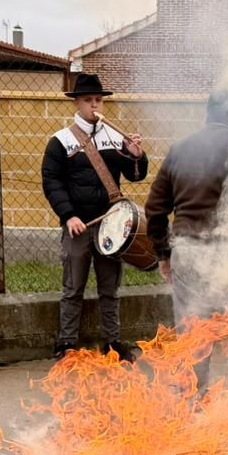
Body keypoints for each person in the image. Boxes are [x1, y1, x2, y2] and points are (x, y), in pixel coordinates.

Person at [41, 73, 148, 360]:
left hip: (111, 224)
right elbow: (52, 182)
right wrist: (68, 216)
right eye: (88, 100)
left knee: (110, 288)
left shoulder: (115, 137)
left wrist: (137, 155)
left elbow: (134, 176)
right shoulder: (60, 141)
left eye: (98, 100)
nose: (94, 105)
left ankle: (113, 342)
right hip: (78, 225)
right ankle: (66, 344)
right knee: (73, 288)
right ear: (77, 103)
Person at [146, 89, 228, 327]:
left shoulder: (180, 149)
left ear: (207, 113)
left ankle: (194, 366)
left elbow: (155, 209)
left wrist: (163, 254)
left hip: (188, 251)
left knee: (192, 338)